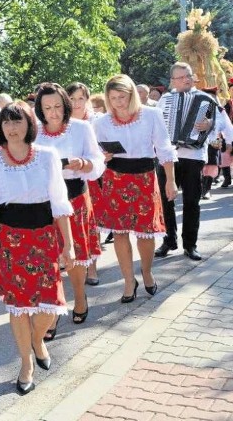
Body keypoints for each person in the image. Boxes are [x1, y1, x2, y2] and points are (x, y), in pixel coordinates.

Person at [0, 101, 75, 395]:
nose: (12, 128)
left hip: (43, 239)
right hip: (8, 242)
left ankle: (38, 340)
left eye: (17, 122)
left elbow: (59, 202)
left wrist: (68, 245)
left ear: (30, 124)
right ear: (0, 128)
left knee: (50, 307)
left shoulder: (48, 156)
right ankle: (26, 363)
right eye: (6, 122)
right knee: (18, 307)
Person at [93, 74, 178, 302]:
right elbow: (93, 154)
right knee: (119, 232)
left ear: (132, 94)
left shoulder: (151, 115)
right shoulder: (100, 122)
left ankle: (147, 272)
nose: (119, 102)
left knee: (145, 232)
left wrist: (170, 180)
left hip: (145, 177)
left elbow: (164, 148)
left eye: (122, 96)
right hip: (115, 178)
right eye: (113, 98)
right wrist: (103, 156)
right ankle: (129, 280)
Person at [35, 83, 104, 331]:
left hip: (75, 196)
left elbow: (98, 164)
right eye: (47, 108)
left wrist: (83, 163)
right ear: (40, 109)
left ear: (65, 104)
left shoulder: (82, 128)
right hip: (43, 202)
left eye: (56, 106)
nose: (53, 112)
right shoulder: (34, 131)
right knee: (48, 258)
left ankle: (80, 297)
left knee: (74, 255)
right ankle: (52, 311)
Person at [154, 63, 220, 262]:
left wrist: (210, 124)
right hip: (168, 157)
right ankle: (169, 240)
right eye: (181, 77)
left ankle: (190, 244)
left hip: (194, 156)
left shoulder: (206, 100)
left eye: (188, 75)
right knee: (166, 201)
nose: (186, 79)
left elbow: (218, 126)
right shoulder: (164, 100)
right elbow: (156, 127)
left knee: (192, 201)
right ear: (172, 80)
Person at [67, 82, 107, 279]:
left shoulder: (95, 121)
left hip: (90, 179)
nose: (76, 103)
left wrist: (103, 155)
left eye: (80, 98)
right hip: (66, 181)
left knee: (90, 224)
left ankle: (92, 267)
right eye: (72, 98)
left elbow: (101, 149)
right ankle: (69, 261)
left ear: (87, 100)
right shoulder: (58, 121)